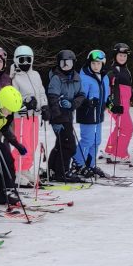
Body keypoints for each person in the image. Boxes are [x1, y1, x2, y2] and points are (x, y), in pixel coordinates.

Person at [9, 45, 47, 186]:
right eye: (21, 60)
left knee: (33, 144)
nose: (25, 63)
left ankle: (25, 168)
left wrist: (44, 105)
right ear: (16, 60)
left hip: (35, 116)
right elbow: (12, 99)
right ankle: (15, 170)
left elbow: (41, 92)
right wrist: (24, 104)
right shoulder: (14, 78)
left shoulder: (35, 75)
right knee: (23, 143)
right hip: (22, 117)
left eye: (27, 60)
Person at [46, 50, 84, 182]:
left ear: (73, 63)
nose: (65, 66)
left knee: (61, 144)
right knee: (69, 146)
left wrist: (72, 104)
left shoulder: (76, 77)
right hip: (59, 117)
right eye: (63, 63)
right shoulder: (56, 78)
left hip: (68, 115)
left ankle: (52, 169)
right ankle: (62, 172)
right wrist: (56, 120)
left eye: (68, 63)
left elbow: (81, 95)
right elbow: (52, 99)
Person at [75, 49, 110, 177]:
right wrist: (87, 102)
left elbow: (106, 94)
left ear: (103, 64)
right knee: (87, 140)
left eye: (99, 63)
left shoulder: (104, 77)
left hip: (99, 113)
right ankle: (78, 163)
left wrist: (110, 102)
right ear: (89, 63)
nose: (96, 66)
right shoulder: (84, 77)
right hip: (87, 114)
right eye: (94, 63)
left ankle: (90, 164)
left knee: (97, 140)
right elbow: (80, 96)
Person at [104, 43, 133, 164]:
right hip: (118, 106)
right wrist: (113, 105)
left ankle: (110, 150)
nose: (122, 58)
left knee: (119, 127)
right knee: (127, 128)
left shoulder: (125, 69)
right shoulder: (112, 71)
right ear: (115, 56)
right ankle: (119, 154)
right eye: (120, 55)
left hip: (124, 104)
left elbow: (126, 86)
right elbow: (108, 90)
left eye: (124, 56)